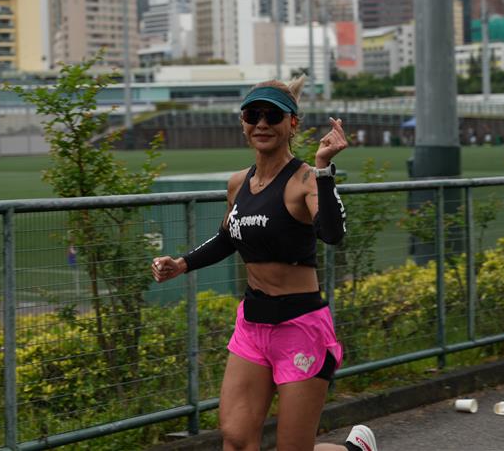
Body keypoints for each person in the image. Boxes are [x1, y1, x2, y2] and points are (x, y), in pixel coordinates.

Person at [150, 78, 378, 451]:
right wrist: (182, 264)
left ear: (292, 123)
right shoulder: (238, 184)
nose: (261, 123)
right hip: (253, 326)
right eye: (252, 115)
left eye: (272, 115)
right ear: (242, 122)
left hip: (300, 327)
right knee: (237, 439)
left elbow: (332, 233)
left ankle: (355, 449)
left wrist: (324, 168)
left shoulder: (305, 180)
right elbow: (228, 237)